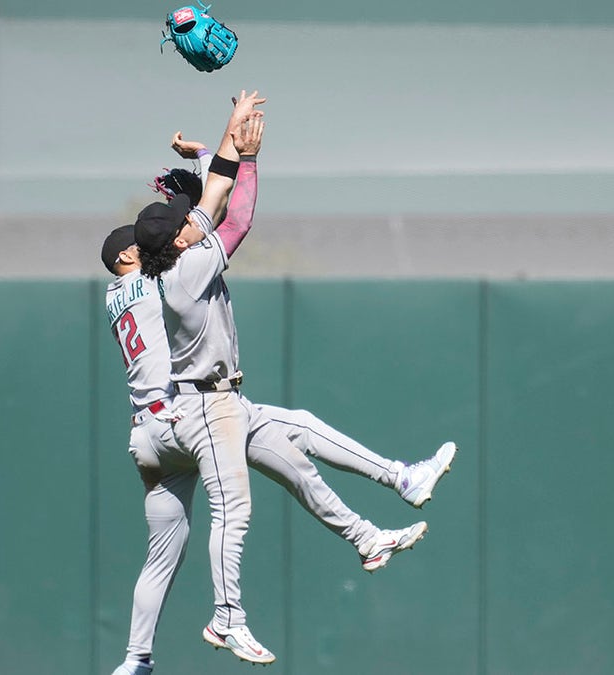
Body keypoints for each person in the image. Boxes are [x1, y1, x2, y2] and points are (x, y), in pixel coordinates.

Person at [107, 92, 436, 674]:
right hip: (200, 407)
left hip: (152, 431)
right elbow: (226, 208)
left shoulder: (124, 289)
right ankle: (227, 614)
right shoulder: (187, 270)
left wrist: (196, 175)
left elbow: (190, 212)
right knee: (234, 505)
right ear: (144, 249)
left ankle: (135, 661)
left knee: (292, 443)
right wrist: (229, 143)